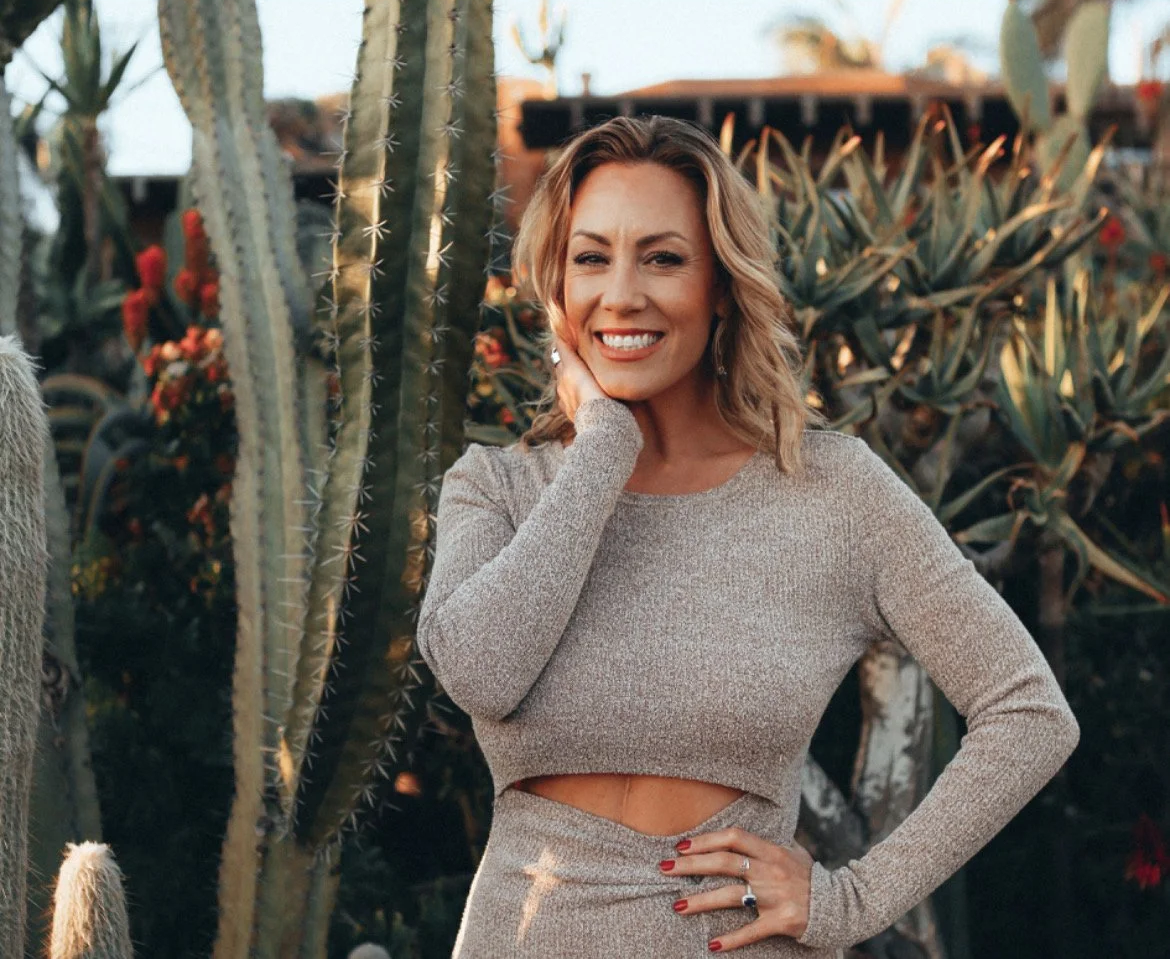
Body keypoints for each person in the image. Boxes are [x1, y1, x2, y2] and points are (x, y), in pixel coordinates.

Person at [415, 114, 1079, 957]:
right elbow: (480, 671)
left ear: (722, 284)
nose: (622, 293)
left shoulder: (831, 490)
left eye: (663, 258)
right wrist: (604, 447)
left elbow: (1029, 710)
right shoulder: (495, 486)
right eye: (591, 258)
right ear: (556, 285)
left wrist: (851, 899)